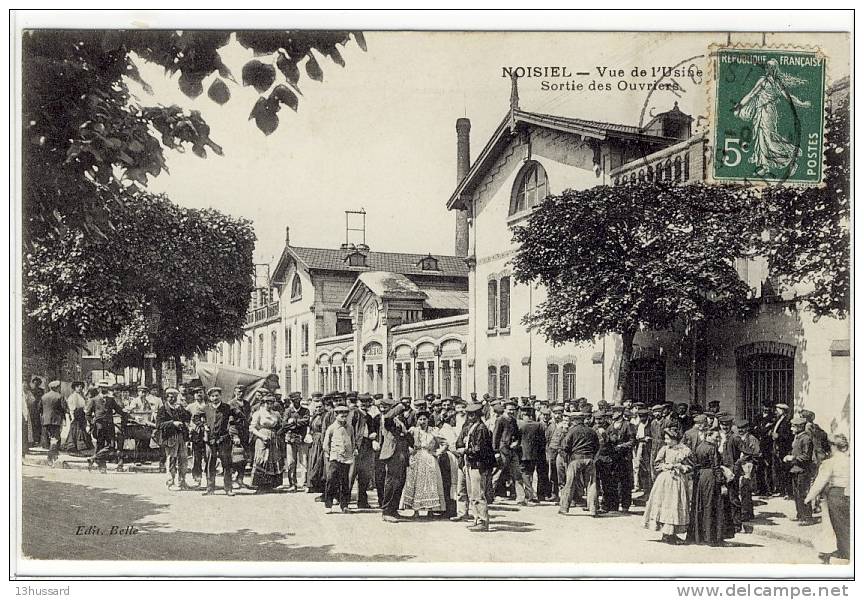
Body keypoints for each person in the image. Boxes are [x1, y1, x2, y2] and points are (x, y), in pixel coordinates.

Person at [733, 58, 811, 177]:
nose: (769, 69)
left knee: (767, 138)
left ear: (775, 69)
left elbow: (789, 97)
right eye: (768, 67)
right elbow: (752, 94)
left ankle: (790, 161)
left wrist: (801, 104)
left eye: (771, 67)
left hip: (768, 112)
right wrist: (740, 106)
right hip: (761, 111)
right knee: (761, 138)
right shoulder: (764, 81)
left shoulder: (776, 83)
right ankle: (765, 166)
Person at [805, 433, 849, 563]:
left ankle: (837, 552)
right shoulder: (851, 460)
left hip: (835, 495)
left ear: (833, 446)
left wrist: (808, 498)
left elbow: (820, 482)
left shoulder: (829, 462)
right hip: (850, 494)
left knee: (831, 525)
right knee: (848, 524)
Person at [643, 428, 693, 545]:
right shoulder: (664, 449)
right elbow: (657, 464)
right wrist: (665, 466)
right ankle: (666, 534)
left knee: (675, 504)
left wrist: (681, 467)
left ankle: (672, 533)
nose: (666, 441)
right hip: (665, 480)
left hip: (678, 480)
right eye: (665, 438)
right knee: (665, 503)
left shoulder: (684, 450)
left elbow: (690, 465)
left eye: (668, 439)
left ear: (675, 439)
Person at [687, 429, 736, 546]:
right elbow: (716, 467)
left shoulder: (699, 446)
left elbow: (694, 463)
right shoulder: (712, 448)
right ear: (708, 436)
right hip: (711, 478)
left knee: (701, 505)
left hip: (701, 478)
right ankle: (715, 538)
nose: (717, 440)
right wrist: (722, 484)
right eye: (716, 437)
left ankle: (701, 537)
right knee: (715, 506)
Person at [455, 402, 496, 532]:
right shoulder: (470, 427)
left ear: (478, 415)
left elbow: (480, 449)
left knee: (478, 494)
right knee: (472, 493)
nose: (470, 416)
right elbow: (460, 442)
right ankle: (477, 518)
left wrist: (465, 451)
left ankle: (483, 520)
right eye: (469, 414)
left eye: (472, 414)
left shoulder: (481, 429)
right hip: (470, 463)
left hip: (478, 465)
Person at [401, 410, 447, 516]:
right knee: (416, 483)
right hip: (416, 458)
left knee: (429, 483)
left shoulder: (433, 431)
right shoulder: (413, 431)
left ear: (428, 420)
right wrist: (409, 451)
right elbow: (406, 441)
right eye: (420, 419)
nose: (422, 422)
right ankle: (415, 510)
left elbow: (445, 443)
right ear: (417, 421)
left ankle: (430, 510)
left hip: (429, 459)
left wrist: (437, 452)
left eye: (424, 419)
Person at [558, 411, 600, 516]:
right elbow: (597, 446)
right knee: (591, 484)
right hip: (589, 459)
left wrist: (566, 457)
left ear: (574, 421)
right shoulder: (591, 431)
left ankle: (564, 508)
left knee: (570, 484)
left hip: (575, 459)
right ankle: (593, 509)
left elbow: (564, 447)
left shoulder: (571, 431)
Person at [379, 398, 413, 523]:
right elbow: (388, 418)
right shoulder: (387, 418)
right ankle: (386, 511)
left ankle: (393, 510)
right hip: (392, 453)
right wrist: (399, 406)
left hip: (401, 453)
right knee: (392, 482)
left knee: (400, 482)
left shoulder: (398, 419)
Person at [202, 387, 240, 496]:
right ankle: (210, 488)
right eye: (212, 396)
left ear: (220, 396)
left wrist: (233, 430)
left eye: (216, 395)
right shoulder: (206, 408)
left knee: (227, 464)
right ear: (209, 397)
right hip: (210, 440)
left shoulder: (227, 408)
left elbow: (238, 417)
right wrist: (203, 425)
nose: (215, 398)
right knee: (210, 464)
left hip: (224, 439)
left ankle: (228, 489)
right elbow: (196, 418)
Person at [491, 400, 526, 505]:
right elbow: (495, 436)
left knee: (517, 474)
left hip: (512, 451)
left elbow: (517, 435)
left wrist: (516, 443)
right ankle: (489, 495)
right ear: (505, 410)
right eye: (509, 410)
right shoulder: (500, 420)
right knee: (497, 473)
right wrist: (496, 451)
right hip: (502, 450)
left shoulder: (513, 421)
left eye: (513, 410)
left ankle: (521, 498)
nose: (511, 412)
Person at [249, 394, 285, 493]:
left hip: (273, 438)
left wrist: (277, 434)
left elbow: (281, 425)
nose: (269, 405)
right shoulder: (258, 413)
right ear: (263, 403)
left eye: (271, 403)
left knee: (273, 459)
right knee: (262, 459)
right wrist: (262, 436)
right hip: (262, 437)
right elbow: (252, 428)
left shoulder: (276, 414)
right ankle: (260, 485)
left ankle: (271, 484)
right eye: (267, 403)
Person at [155, 388, 190, 489]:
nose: (172, 398)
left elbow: (187, 418)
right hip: (170, 437)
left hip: (181, 437)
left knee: (183, 459)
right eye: (170, 396)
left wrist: (183, 408)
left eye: (174, 396)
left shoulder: (179, 408)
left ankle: (182, 481)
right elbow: (159, 425)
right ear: (166, 397)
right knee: (171, 460)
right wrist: (172, 423)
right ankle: (170, 482)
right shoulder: (163, 409)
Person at [322, 404, 355, 513]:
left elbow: (352, 441)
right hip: (335, 458)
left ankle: (344, 505)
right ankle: (328, 504)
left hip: (346, 458)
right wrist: (330, 455)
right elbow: (326, 444)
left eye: (346, 415)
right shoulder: (331, 428)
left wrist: (352, 451)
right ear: (336, 415)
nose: (344, 417)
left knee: (345, 482)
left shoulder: (350, 427)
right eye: (341, 415)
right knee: (331, 480)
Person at [784, 416, 815, 524]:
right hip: (795, 469)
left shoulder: (806, 439)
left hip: (802, 470)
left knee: (803, 494)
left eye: (794, 426)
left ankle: (807, 517)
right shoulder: (797, 437)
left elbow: (807, 456)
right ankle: (800, 514)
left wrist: (793, 458)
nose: (791, 428)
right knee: (797, 494)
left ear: (800, 427)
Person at [85, 389, 125, 472]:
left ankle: (93, 458)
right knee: (100, 445)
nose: (104, 390)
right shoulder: (94, 400)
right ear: (99, 389)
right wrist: (93, 423)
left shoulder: (111, 400)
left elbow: (119, 410)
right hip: (99, 426)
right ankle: (102, 467)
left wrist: (131, 416)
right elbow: (88, 414)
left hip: (110, 425)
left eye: (106, 388)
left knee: (112, 445)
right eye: (102, 388)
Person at [348, 394, 377, 508]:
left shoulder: (369, 417)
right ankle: (344, 500)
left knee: (364, 475)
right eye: (363, 403)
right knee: (351, 474)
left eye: (367, 403)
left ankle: (362, 501)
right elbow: (350, 431)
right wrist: (353, 446)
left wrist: (372, 437)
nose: (365, 405)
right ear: (358, 403)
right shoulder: (354, 414)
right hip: (356, 447)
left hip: (367, 447)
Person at [605, 405, 635, 513]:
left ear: (620, 413)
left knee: (625, 482)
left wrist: (621, 446)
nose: (613, 414)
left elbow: (632, 442)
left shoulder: (628, 425)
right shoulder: (610, 426)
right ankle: (614, 505)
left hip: (625, 458)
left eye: (615, 412)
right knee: (613, 481)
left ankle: (625, 505)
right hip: (613, 458)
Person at [518, 406, 547, 503]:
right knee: (530, 474)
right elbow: (543, 441)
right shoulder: (539, 425)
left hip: (523, 454)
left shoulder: (520, 425)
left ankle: (529, 494)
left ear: (523, 414)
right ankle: (530, 494)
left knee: (524, 474)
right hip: (535, 454)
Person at [283, 392, 310, 492]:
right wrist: (299, 422)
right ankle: (293, 484)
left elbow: (306, 421)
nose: (296, 402)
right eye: (294, 401)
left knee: (304, 462)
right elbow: (285, 424)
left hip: (302, 439)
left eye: (298, 400)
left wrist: (294, 422)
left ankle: (304, 483)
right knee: (291, 462)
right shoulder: (288, 411)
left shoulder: (305, 410)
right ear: (291, 401)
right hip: (290, 439)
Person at [736, 421, 760, 522]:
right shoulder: (737, 437)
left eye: (743, 428)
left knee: (745, 488)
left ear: (747, 428)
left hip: (748, 464)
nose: (741, 430)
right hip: (739, 465)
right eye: (739, 428)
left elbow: (756, 452)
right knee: (741, 488)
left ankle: (746, 513)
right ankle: (747, 512)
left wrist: (746, 459)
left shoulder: (751, 439)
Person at [40, 381, 67, 464]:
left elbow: (40, 408)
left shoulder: (44, 396)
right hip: (55, 420)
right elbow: (64, 408)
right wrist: (64, 417)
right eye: (59, 387)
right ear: (56, 387)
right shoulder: (59, 396)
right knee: (55, 438)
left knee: (49, 438)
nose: (60, 388)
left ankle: (54, 455)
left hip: (45, 420)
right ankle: (50, 457)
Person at [305, 396, 328, 496]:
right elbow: (310, 428)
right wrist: (309, 435)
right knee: (312, 461)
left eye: (320, 407)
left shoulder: (325, 417)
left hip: (320, 440)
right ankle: (311, 485)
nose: (318, 409)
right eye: (317, 407)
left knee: (319, 463)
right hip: (313, 441)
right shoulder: (314, 416)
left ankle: (320, 486)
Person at [62, 381, 92, 454]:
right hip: (76, 414)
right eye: (78, 387)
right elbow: (72, 406)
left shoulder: (81, 396)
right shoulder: (73, 396)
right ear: (75, 388)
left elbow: (85, 404)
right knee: (75, 429)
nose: (80, 388)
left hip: (81, 414)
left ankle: (82, 444)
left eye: (81, 387)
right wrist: (72, 415)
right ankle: (73, 445)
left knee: (81, 429)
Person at [771, 403, 794, 498]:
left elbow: (789, 436)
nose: (776, 411)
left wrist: (778, 436)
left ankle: (788, 492)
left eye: (778, 409)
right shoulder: (778, 420)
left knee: (785, 470)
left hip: (783, 449)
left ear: (783, 411)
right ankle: (781, 490)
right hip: (776, 448)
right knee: (778, 470)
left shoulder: (787, 421)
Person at [186, 387, 207, 488]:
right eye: (196, 393)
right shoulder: (190, 407)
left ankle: (209, 479)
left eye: (200, 392)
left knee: (209, 457)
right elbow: (185, 419)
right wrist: (190, 427)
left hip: (207, 434)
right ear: (193, 395)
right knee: (197, 458)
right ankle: (197, 478)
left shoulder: (208, 406)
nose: (199, 394)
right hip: (196, 435)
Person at [25, 376, 45, 450]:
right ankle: (33, 440)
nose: (36, 383)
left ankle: (38, 439)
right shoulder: (31, 390)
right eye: (35, 382)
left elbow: (42, 399)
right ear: (33, 383)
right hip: (32, 409)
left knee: (38, 424)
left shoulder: (42, 390)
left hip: (38, 408)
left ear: (39, 383)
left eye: (38, 382)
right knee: (32, 424)